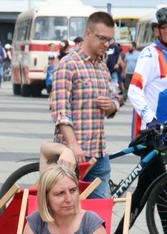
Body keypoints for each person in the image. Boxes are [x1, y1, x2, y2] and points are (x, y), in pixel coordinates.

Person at [110, 6, 167, 234]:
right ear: (157, 30)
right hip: (151, 133)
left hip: (165, 133)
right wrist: (151, 119)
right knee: (160, 184)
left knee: (152, 186)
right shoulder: (149, 55)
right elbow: (134, 90)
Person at [50, 11, 120, 200]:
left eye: (110, 40)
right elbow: (60, 111)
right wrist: (73, 146)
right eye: (102, 39)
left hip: (99, 154)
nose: (106, 45)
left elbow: (115, 99)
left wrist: (111, 106)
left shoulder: (102, 68)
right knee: (67, 212)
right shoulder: (68, 65)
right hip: (73, 156)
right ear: (88, 34)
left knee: (98, 215)